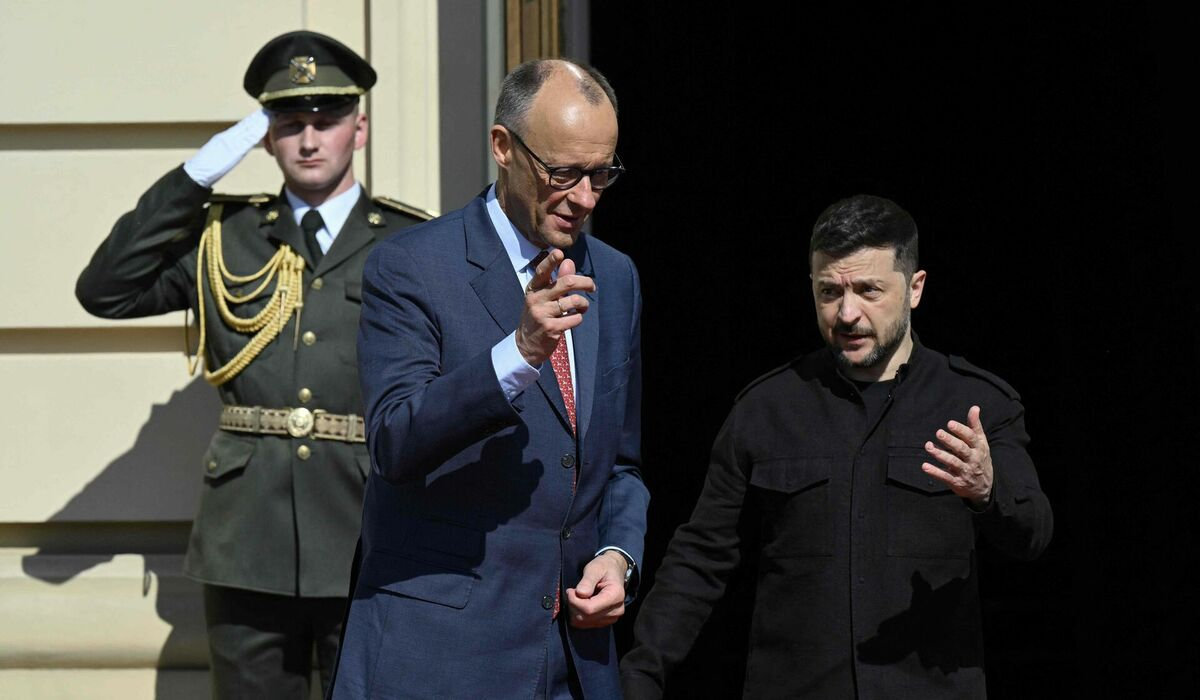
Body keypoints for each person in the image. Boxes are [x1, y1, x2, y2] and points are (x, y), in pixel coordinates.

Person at [75, 30, 431, 699]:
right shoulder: (224, 235)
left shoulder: (410, 242)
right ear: (265, 137)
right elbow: (105, 289)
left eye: (326, 122)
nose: (308, 139)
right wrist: (194, 179)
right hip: (246, 540)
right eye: (289, 123)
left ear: (360, 127)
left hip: (369, 529)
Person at [620, 195, 1053, 699]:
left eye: (869, 290)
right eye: (829, 292)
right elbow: (701, 557)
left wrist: (987, 491)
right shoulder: (765, 409)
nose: (847, 313)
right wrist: (638, 678)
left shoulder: (977, 404)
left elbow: (1032, 535)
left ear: (915, 288)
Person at [328, 59, 648, 699]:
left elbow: (618, 466)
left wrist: (619, 557)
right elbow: (395, 439)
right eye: (563, 173)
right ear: (503, 147)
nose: (584, 197)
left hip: (573, 662)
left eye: (601, 174)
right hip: (441, 657)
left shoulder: (614, 277)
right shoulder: (410, 266)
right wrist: (520, 352)